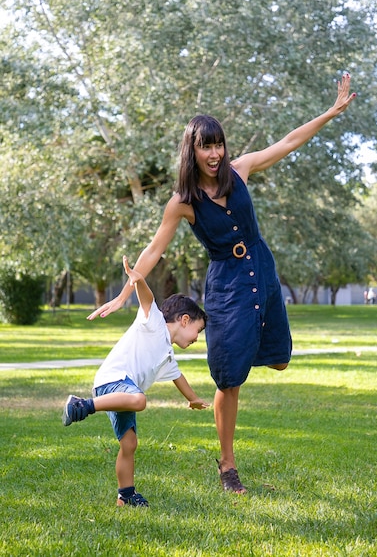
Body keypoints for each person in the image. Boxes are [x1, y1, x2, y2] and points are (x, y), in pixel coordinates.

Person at [88, 73, 356, 494]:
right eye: (205, 146)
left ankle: (238, 350)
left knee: (281, 360)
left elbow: (286, 143)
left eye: (218, 144)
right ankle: (227, 466)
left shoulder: (240, 170)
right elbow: (154, 250)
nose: (214, 154)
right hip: (227, 286)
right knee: (228, 379)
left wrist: (331, 111)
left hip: (262, 271)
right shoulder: (182, 202)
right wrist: (126, 291)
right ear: (191, 150)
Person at [63, 256, 209, 507]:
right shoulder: (152, 322)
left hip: (123, 392)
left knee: (129, 443)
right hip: (114, 382)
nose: (197, 337)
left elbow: (178, 377)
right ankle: (82, 406)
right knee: (140, 400)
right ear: (185, 320)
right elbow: (147, 300)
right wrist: (139, 279)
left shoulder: (168, 354)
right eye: (198, 330)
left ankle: (126, 495)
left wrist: (193, 399)